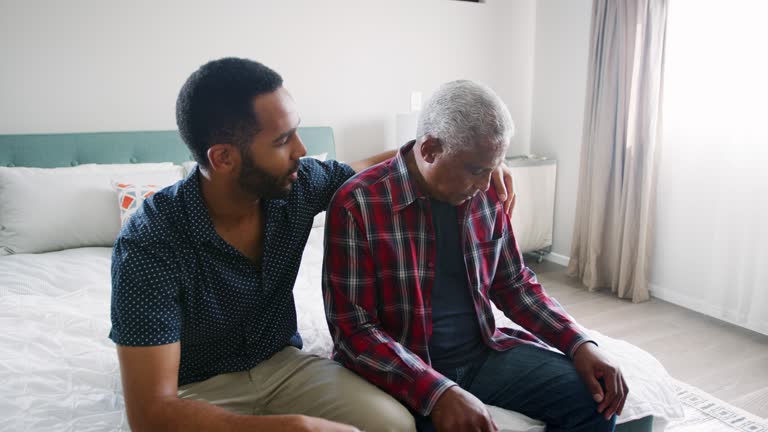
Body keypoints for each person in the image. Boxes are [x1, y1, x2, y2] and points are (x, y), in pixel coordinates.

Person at [109, 58, 516, 432]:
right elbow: (150, 413)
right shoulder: (150, 243)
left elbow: (371, 170)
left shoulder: (298, 185)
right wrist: (292, 429)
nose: (301, 151)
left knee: (395, 425)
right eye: (283, 140)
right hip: (195, 387)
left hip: (284, 365)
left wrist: (473, 162)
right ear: (224, 158)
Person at [323, 80, 628, 432]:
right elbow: (354, 332)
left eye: (493, 167)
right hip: (403, 369)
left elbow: (515, 284)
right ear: (431, 150)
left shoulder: (484, 193)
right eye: (477, 170)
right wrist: (437, 392)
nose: (487, 185)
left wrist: (579, 343)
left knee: (595, 397)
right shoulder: (356, 204)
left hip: (482, 353)